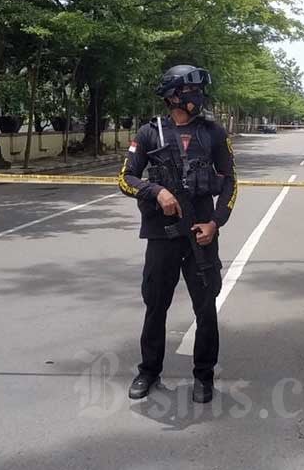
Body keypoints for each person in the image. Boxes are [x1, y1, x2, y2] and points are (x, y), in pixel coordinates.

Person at [118, 65, 237, 404]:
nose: (198, 98)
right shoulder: (148, 133)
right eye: (191, 92)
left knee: (205, 307)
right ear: (174, 96)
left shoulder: (214, 133)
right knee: (155, 305)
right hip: (161, 236)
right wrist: (156, 191)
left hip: (201, 234)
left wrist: (216, 223)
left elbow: (230, 181)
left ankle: (204, 375)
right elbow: (126, 178)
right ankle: (148, 371)